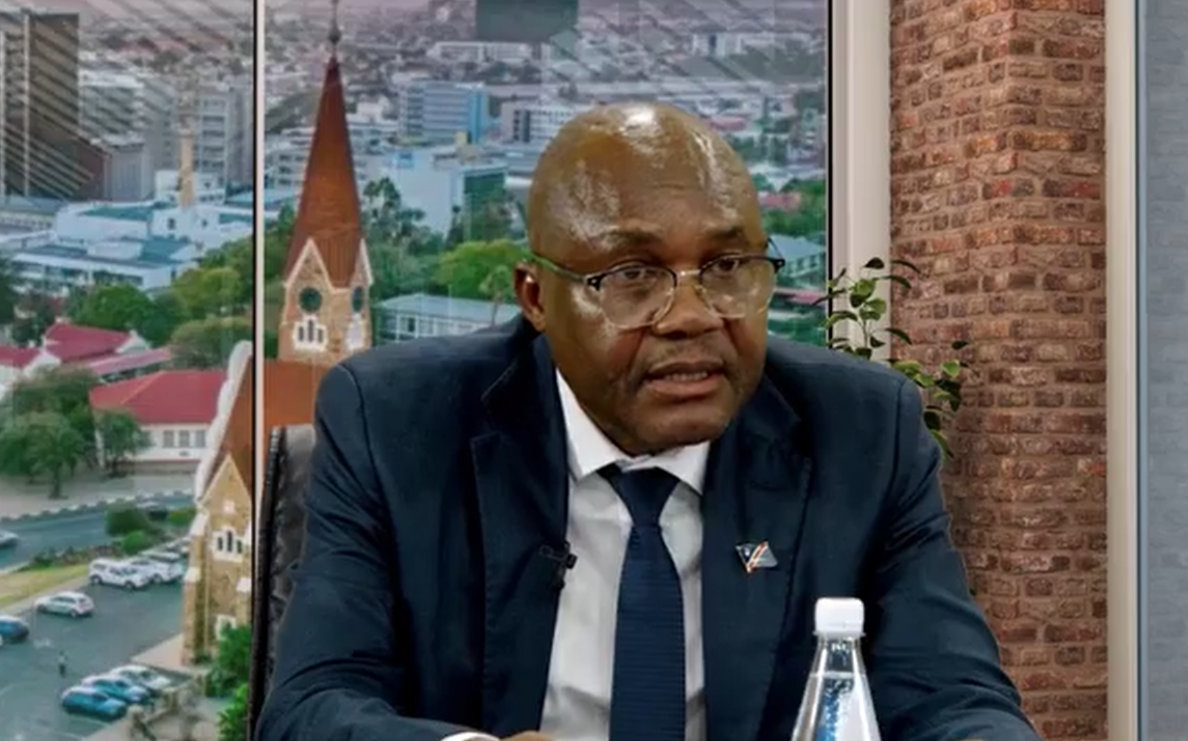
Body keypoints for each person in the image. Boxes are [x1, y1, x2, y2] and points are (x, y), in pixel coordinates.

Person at [257, 102, 1039, 741]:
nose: (692, 315)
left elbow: (953, 698)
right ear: (535, 297)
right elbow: (312, 708)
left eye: (728, 268)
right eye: (633, 275)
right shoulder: (397, 424)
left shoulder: (862, 432)